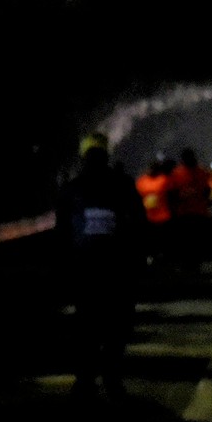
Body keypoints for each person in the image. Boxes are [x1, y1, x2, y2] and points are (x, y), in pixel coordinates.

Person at [56, 134, 142, 402]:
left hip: (86, 270)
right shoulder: (123, 185)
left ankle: (86, 380)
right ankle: (110, 379)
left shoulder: (72, 188)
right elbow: (139, 225)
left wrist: (65, 268)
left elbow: (62, 233)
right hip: (117, 269)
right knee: (116, 325)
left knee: (87, 325)